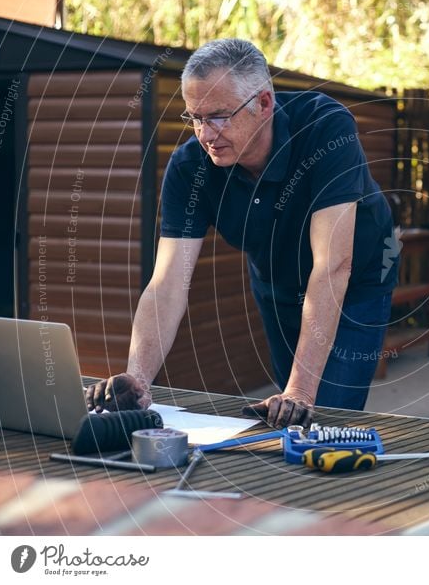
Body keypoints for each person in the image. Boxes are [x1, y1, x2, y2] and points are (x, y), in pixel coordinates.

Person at [86, 39, 398, 428]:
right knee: (290, 415)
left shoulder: (325, 127)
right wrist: (138, 377)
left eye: (218, 116)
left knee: (322, 410)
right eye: (195, 118)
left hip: (357, 276)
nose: (205, 133)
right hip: (277, 279)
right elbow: (167, 283)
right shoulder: (189, 169)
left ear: (264, 104)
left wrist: (301, 390)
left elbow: (334, 264)